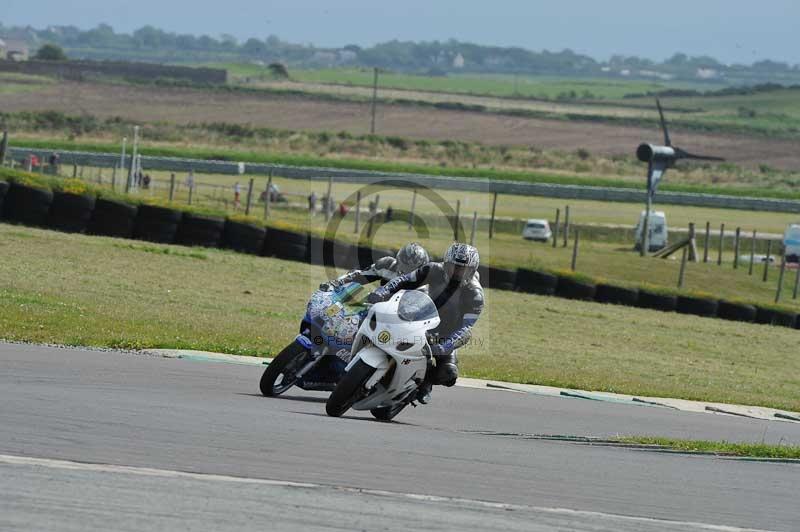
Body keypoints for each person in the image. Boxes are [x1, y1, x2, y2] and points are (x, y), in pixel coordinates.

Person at [366, 243, 483, 403]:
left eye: (462, 269)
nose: (457, 272)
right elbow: (403, 280)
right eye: (453, 267)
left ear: (472, 270)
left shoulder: (475, 294)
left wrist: (445, 346)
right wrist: (383, 291)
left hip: (447, 332)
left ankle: (426, 381)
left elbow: (465, 327)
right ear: (445, 263)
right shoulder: (432, 269)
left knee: (449, 374)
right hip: (419, 315)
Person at [319, 242, 430, 292]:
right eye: (403, 262)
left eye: (411, 267)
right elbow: (359, 275)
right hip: (377, 309)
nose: (405, 269)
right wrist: (336, 283)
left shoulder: (423, 284)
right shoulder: (387, 264)